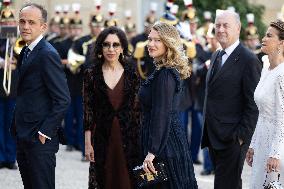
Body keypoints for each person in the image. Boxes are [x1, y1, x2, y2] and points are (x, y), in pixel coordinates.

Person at [12, 3, 70, 189]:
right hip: (24, 135)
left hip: (39, 139)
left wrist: (45, 132)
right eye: (22, 21)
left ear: (43, 26)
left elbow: (62, 99)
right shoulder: (25, 51)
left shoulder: (47, 54)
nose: (26, 26)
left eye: (31, 22)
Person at [201, 10, 261, 189]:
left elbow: (254, 104)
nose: (220, 29)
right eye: (217, 25)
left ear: (238, 28)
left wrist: (241, 137)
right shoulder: (216, 56)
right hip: (213, 137)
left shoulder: (249, 60)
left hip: (232, 140)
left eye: (225, 25)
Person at [139, 21, 198, 189]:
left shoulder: (165, 75)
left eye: (157, 40)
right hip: (162, 140)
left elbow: (161, 114)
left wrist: (152, 151)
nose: (151, 44)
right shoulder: (162, 70)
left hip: (164, 146)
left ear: (168, 43)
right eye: (150, 39)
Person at [83, 26, 141, 189]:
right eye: (106, 44)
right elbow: (88, 110)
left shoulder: (132, 73)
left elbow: (137, 111)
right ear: (100, 47)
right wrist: (88, 142)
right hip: (102, 138)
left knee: (127, 181)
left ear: (122, 48)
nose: (111, 49)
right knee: (104, 180)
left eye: (116, 45)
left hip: (129, 139)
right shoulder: (91, 74)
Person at [246, 19, 284, 188]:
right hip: (261, 138)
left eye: (269, 36)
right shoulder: (266, 65)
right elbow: (262, 113)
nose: (263, 38)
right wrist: (253, 144)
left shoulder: (282, 74)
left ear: (281, 43)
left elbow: (282, 117)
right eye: (265, 34)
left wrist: (276, 153)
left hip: (277, 145)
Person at [0, 0, 18, 170]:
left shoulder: (19, 41)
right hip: (0, 88)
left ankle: (11, 157)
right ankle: (1, 157)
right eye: (4, 22)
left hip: (14, 89)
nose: (7, 25)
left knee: (11, 124)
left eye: (10, 22)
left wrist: (13, 63)